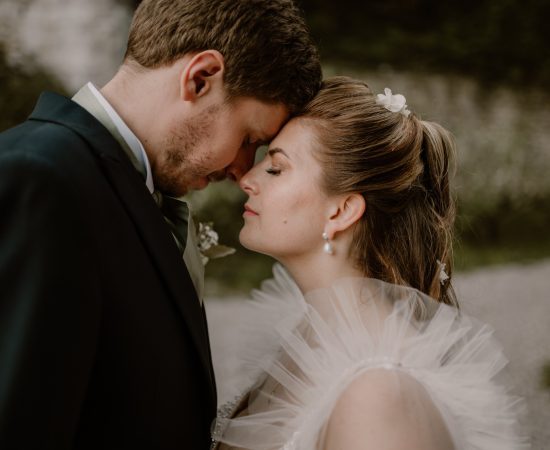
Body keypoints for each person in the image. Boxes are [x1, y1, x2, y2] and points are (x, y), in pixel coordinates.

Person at [0, 0, 321, 448]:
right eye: (249, 140)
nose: (243, 171)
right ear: (201, 77)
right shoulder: (40, 180)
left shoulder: (120, 188)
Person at [210, 77, 528, 449]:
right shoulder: (308, 340)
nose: (247, 178)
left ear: (342, 211)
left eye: (276, 168)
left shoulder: (378, 396)